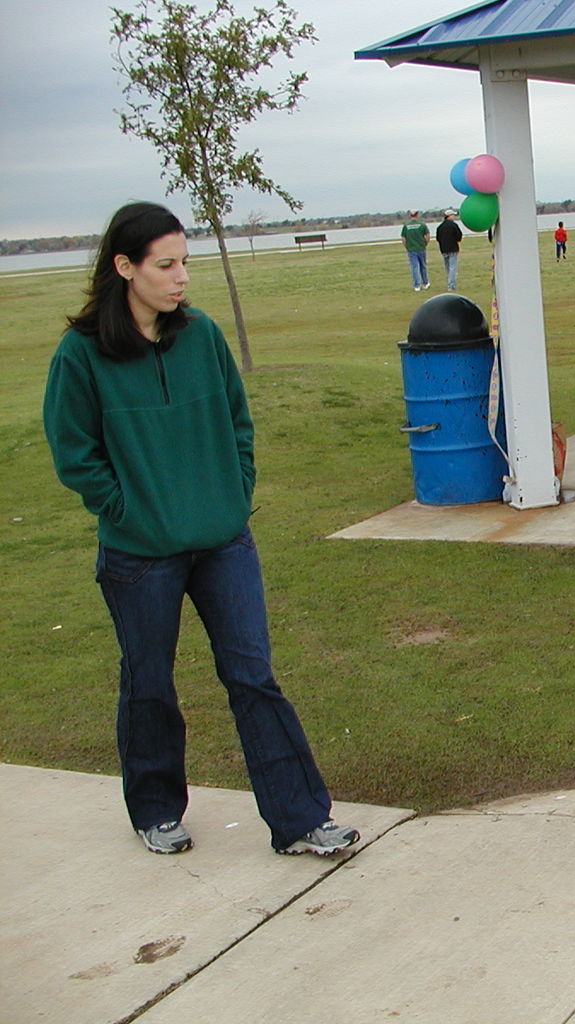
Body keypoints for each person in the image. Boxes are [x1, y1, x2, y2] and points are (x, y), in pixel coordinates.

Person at [42, 202, 360, 858]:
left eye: (185, 262)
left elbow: (239, 423)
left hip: (223, 542)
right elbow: (74, 451)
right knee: (149, 680)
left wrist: (234, 491)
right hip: (139, 555)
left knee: (253, 676)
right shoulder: (81, 355)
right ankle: (156, 809)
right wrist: (126, 508)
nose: (181, 277)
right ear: (125, 267)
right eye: (166, 265)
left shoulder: (204, 336)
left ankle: (301, 820)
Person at [401, 210, 431, 291]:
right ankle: (425, 283)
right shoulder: (422, 225)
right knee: (423, 266)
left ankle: (416, 285)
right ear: (417, 215)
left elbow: (403, 238)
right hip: (421, 248)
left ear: (410, 215)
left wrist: (407, 246)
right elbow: (427, 236)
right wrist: (425, 244)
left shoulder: (406, 226)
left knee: (414, 267)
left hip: (411, 249)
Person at [436, 209, 463, 291]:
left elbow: (438, 238)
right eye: (453, 215)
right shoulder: (454, 225)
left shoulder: (440, 227)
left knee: (448, 268)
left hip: (444, 249)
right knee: (452, 268)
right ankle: (451, 285)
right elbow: (459, 236)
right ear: (449, 216)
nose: (454, 217)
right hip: (453, 249)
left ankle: (450, 282)